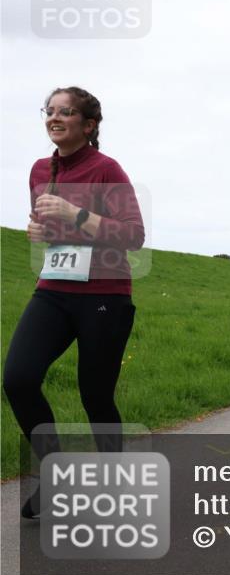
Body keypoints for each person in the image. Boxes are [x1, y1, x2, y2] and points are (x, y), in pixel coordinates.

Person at [3, 87, 145, 519]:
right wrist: (40, 231)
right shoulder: (39, 169)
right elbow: (52, 230)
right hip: (54, 289)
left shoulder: (106, 169)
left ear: (89, 125)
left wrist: (74, 213)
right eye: (50, 111)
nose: (54, 117)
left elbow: (133, 235)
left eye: (66, 112)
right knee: (18, 379)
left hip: (104, 293)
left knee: (95, 396)